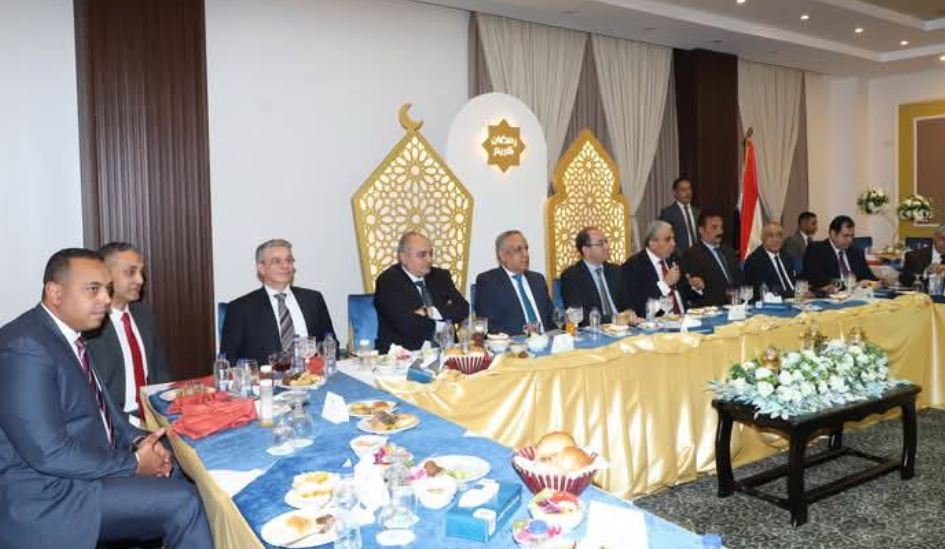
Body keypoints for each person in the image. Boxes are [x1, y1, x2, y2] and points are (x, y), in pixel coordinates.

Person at [0, 248, 211, 549]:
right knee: (184, 502)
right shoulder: (25, 347)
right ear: (55, 293)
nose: (105, 300)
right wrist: (134, 462)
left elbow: (106, 414)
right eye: (93, 289)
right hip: (50, 496)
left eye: (107, 289)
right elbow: (49, 453)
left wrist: (142, 442)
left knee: (188, 469)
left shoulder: (70, 336)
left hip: (85, 471)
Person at [85, 242, 170, 425]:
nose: (140, 280)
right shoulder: (89, 327)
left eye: (141, 272)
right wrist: (137, 425)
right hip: (113, 424)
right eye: (130, 272)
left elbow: (160, 373)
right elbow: (92, 397)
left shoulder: (144, 315)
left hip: (153, 416)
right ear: (106, 275)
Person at [221, 239, 335, 364]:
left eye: (289, 260)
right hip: (266, 375)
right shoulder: (240, 308)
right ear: (261, 268)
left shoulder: (313, 299)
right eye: (276, 261)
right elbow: (229, 360)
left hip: (312, 374)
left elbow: (330, 343)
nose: (285, 266)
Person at [374, 231, 469, 353]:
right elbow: (406, 324)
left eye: (431, 254)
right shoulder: (388, 281)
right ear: (403, 258)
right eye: (422, 255)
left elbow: (463, 308)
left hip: (447, 350)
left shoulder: (440, 276)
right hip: (404, 352)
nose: (429, 259)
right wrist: (442, 326)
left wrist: (429, 312)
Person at [475, 230, 555, 335]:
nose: (525, 254)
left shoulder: (538, 280)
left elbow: (552, 318)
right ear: (502, 256)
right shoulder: (488, 282)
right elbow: (489, 325)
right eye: (518, 249)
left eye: (526, 249)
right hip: (514, 342)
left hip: (547, 340)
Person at [622, 220, 703, 317]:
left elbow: (687, 296)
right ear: (652, 243)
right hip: (656, 322)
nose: (673, 243)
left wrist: (695, 287)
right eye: (668, 239)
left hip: (684, 318)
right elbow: (640, 305)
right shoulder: (634, 266)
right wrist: (665, 284)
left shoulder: (675, 259)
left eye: (673, 239)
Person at [559, 227, 632, 325]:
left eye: (606, 242)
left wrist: (630, 312)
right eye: (601, 244)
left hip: (623, 327)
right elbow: (578, 314)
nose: (607, 247)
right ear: (586, 250)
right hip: (596, 328)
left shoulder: (615, 271)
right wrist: (614, 319)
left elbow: (628, 303)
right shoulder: (571, 276)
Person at [680, 213, 744, 307]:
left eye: (721, 227)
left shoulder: (729, 251)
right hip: (712, 308)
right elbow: (693, 291)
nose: (720, 231)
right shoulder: (692, 255)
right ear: (701, 230)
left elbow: (739, 279)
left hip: (737, 305)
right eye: (714, 227)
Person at [801, 215, 878, 292]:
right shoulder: (816, 250)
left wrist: (880, 282)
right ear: (833, 234)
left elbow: (869, 277)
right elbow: (818, 281)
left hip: (858, 295)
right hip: (830, 296)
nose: (850, 240)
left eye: (852, 236)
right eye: (845, 236)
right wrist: (853, 286)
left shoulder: (856, 252)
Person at [742, 223, 797, 300]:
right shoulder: (755, 260)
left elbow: (794, 281)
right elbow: (766, 290)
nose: (776, 240)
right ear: (763, 239)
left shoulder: (787, 257)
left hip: (796, 300)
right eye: (770, 236)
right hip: (772, 303)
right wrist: (795, 294)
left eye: (779, 236)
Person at [658, 177, 700, 253]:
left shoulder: (698, 212)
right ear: (675, 193)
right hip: (679, 256)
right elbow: (665, 239)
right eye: (683, 190)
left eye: (689, 189)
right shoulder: (668, 214)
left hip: (699, 255)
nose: (687, 193)